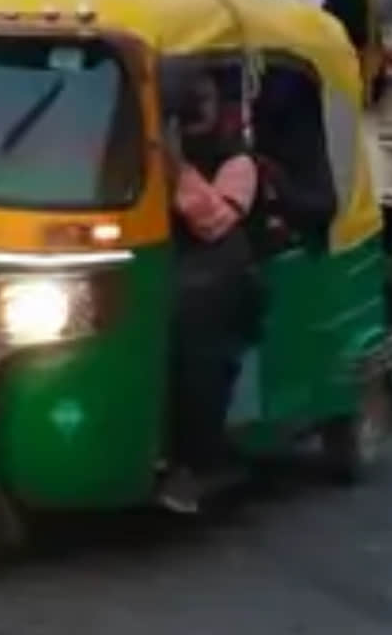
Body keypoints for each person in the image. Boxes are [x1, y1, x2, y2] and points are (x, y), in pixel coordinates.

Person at [158, 71, 260, 513]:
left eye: (205, 99)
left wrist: (174, 165)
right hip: (168, 267)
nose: (198, 110)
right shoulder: (145, 151)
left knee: (196, 346)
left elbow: (213, 220)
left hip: (222, 276)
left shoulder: (237, 163)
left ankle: (202, 460)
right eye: (190, 101)